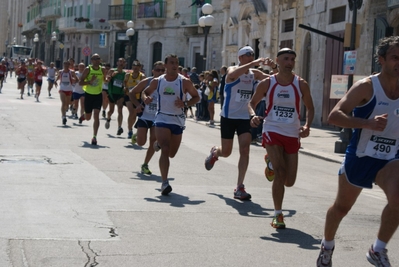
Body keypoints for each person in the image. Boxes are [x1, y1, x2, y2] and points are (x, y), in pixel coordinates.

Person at [316, 36, 399, 267]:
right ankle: (327, 245)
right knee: (342, 207)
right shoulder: (367, 86)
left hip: (391, 157)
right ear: (381, 60)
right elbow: (334, 115)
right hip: (362, 154)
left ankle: (378, 249)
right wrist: (368, 124)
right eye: (395, 58)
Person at [249, 48, 314, 228]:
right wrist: (253, 115)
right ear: (277, 60)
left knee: (290, 181)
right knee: (280, 172)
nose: (289, 62)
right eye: (286, 59)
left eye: (292, 59)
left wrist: (307, 125)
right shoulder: (267, 83)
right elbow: (251, 103)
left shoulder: (301, 84)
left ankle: (270, 161)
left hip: (292, 132)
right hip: (272, 129)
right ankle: (278, 215)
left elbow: (310, 107)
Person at [204, 46, 271, 200]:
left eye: (253, 55)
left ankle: (240, 186)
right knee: (226, 152)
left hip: (245, 117)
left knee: (245, 149)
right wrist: (252, 64)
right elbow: (233, 74)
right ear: (240, 58)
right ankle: (215, 153)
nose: (251, 57)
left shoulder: (254, 74)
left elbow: (272, 79)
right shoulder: (232, 70)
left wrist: (274, 67)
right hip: (228, 116)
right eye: (248, 55)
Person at [143, 54, 199, 195]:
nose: (174, 65)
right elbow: (145, 92)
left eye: (177, 63)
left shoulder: (184, 82)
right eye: (172, 63)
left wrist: (185, 103)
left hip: (178, 119)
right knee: (166, 149)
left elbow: (196, 97)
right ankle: (164, 182)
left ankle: (158, 144)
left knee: (172, 154)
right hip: (162, 118)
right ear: (166, 65)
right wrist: (146, 98)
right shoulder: (158, 81)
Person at [129, 61, 165, 175]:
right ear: (153, 71)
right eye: (158, 70)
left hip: (157, 117)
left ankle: (145, 164)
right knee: (140, 143)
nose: (160, 72)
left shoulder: (166, 83)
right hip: (145, 116)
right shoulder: (147, 81)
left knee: (153, 141)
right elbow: (132, 93)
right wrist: (138, 105)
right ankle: (137, 135)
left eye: (162, 70)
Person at [79, 54, 108, 145]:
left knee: (96, 115)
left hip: (98, 95)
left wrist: (108, 79)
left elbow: (105, 79)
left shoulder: (102, 69)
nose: (96, 60)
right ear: (91, 60)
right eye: (94, 59)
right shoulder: (88, 69)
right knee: (88, 118)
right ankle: (84, 116)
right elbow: (80, 82)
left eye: (98, 58)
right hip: (88, 95)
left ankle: (94, 137)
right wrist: (89, 82)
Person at [123, 60, 146, 138]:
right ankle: (129, 130)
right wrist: (125, 88)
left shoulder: (142, 76)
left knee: (134, 115)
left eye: (137, 66)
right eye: (134, 65)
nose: (135, 67)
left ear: (140, 67)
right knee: (131, 112)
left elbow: (144, 87)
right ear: (132, 67)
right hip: (128, 96)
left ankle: (130, 127)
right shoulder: (127, 75)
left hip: (137, 97)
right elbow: (124, 84)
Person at [104, 58, 127, 134]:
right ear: (117, 63)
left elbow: (126, 83)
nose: (121, 63)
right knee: (111, 111)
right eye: (120, 62)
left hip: (120, 93)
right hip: (112, 93)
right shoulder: (112, 70)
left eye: (123, 62)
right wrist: (111, 76)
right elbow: (107, 79)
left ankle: (119, 127)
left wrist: (125, 86)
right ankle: (108, 118)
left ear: (124, 64)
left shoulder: (125, 73)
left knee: (120, 109)